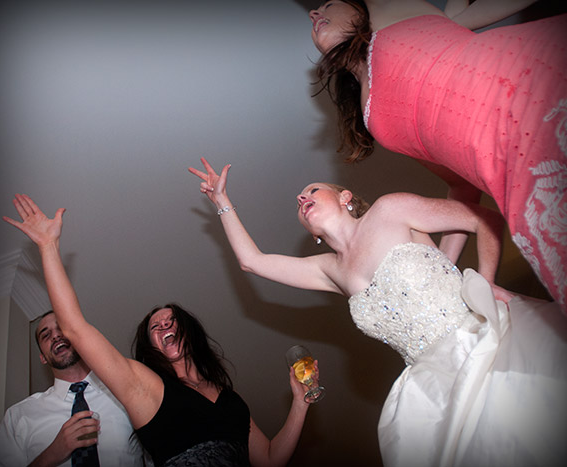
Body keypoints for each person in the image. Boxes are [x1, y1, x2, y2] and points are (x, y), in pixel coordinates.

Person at [189, 157, 567, 467]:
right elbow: (252, 262)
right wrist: (221, 200)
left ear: (345, 197)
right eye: (298, 201)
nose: (301, 198)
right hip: (433, 388)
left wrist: (485, 284)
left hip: (483, 337)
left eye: (312, 191)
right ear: (312, 233)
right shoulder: (330, 270)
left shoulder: (390, 210)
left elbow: (480, 219)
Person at [2, 193, 312, 467]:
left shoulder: (232, 401)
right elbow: (75, 329)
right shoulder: (144, 388)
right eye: (155, 326)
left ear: (189, 332)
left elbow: (270, 458)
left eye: (171, 320)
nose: (164, 324)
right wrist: (48, 246)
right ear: (150, 345)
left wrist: (300, 402)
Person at [307, 0, 567, 311]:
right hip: (527, 183)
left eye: (329, 3)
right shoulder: (371, 116)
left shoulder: (386, 12)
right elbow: (461, 185)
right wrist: (447, 271)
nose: (314, 13)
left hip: (540, 87)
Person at [0, 311, 144, 467]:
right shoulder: (18, 416)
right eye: (46, 335)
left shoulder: (124, 394)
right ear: (43, 358)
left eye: (61, 328)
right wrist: (51, 455)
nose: (55, 336)